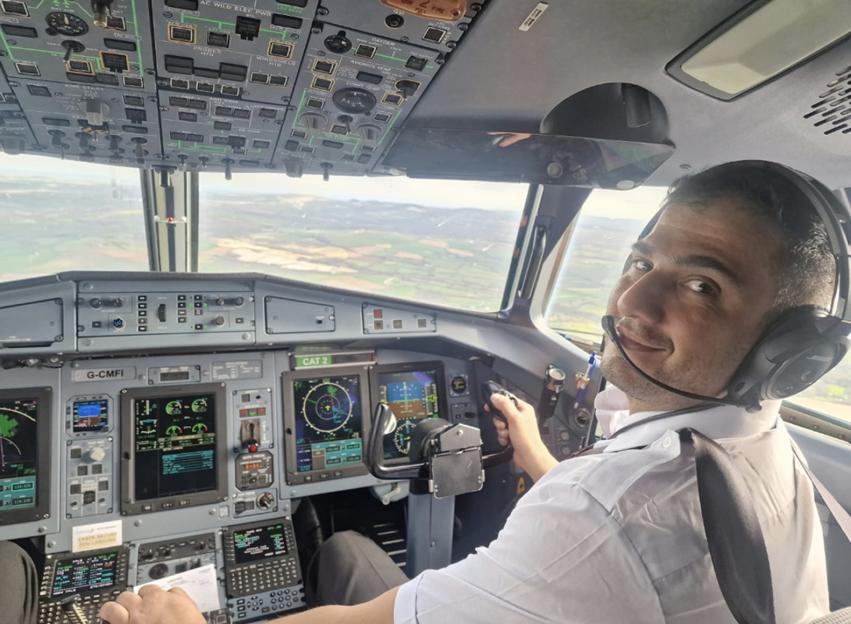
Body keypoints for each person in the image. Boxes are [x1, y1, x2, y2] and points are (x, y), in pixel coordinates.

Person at [91, 161, 834, 623]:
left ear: (785, 350)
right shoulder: (757, 439)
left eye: (701, 285)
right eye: (641, 260)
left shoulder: (600, 518)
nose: (633, 301)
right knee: (349, 548)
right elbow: (624, 526)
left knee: (344, 556)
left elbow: (381, 618)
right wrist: (539, 455)